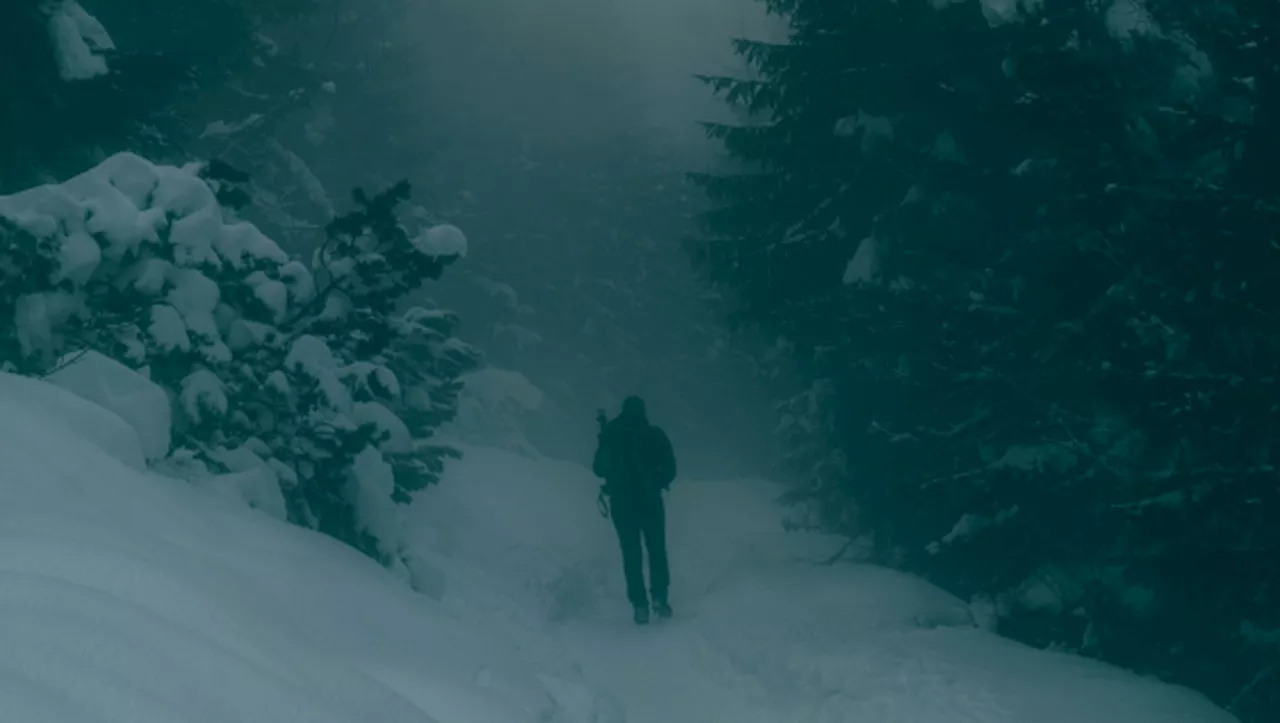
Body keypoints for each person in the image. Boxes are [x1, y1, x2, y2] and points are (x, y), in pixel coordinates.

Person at [592, 395, 677, 625]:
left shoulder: (612, 434)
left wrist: (604, 438)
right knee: (657, 550)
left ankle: (639, 604)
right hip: (650, 502)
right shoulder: (655, 435)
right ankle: (659, 598)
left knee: (631, 554)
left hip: (622, 503)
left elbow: (598, 469)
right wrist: (656, 481)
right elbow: (670, 468)